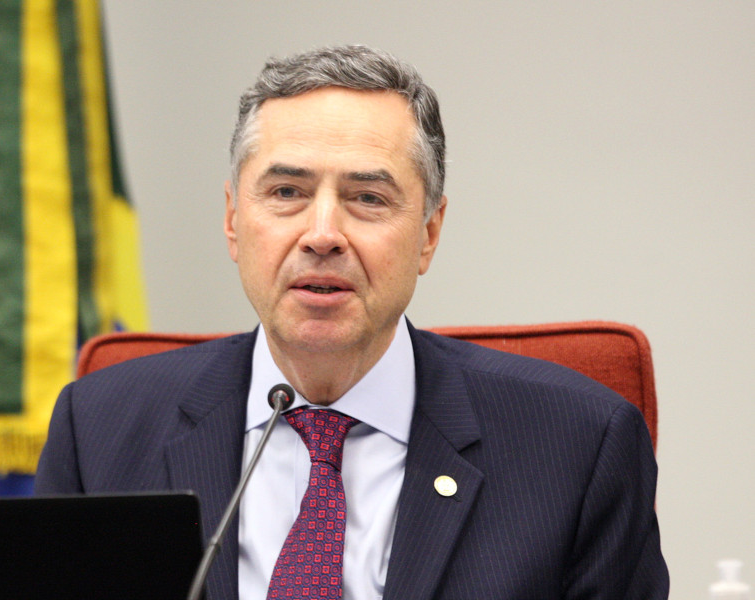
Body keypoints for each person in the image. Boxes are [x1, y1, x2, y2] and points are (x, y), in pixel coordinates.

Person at [35, 45, 669, 599]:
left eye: (368, 198)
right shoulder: (98, 430)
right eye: (286, 192)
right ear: (233, 219)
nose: (322, 234)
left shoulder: (578, 446)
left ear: (429, 233)